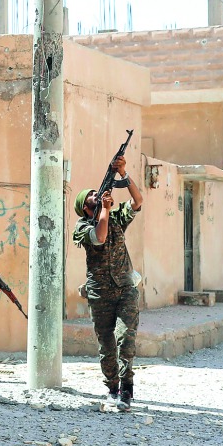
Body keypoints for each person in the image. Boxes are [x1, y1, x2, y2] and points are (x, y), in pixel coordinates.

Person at [72, 155, 144, 411]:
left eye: (97, 192)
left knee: (126, 338)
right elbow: (100, 237)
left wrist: (123, 175)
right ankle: (112, 385)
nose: (97, 194)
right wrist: (104, 209)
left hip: (125, 288)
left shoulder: (114, 216)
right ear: (85, 207)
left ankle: (127, 388)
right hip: (100, 293)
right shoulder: (82, 226)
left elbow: (137, 201)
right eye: (92, 195)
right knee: (106, 343)